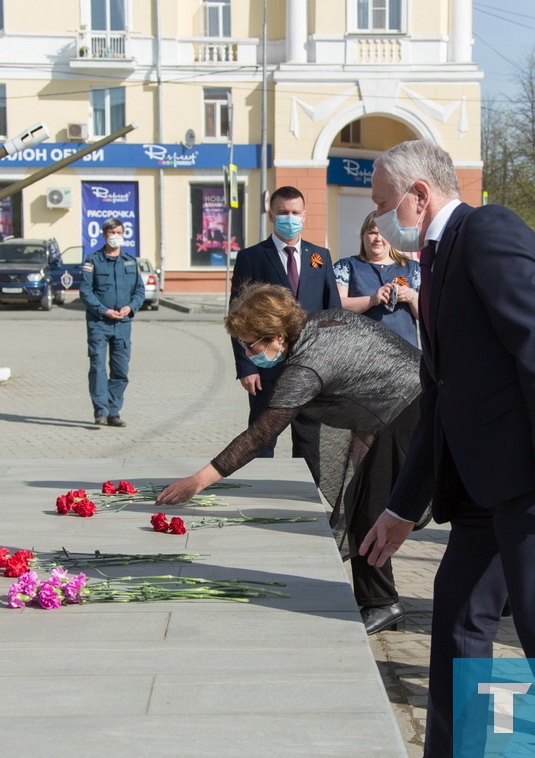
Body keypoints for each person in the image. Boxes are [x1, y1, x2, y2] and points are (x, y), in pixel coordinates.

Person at [359, 139, 535, 757]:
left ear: (419, 195)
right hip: (486, 482)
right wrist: (403, 508)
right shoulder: (434, 259)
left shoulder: (487, 230)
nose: (378, 219)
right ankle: (476, 750)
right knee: (459, 616)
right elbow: (441, 395)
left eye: (384, 204)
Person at [157, 282, 426, 635]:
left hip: (411, 413)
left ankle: (382, 603)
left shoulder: (306, 367)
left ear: (278, 336)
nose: (247, 350)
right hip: (420, 398)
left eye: (250, 343)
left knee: (367, 511)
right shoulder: (323, 322)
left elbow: (259, 436)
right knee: (449, 503)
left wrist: (198, 480)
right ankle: (502, 596)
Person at [229, 186, 340, 473]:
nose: (288, 218)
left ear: (304, 216)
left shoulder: (320, 257)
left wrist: (330, 366)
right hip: (266, 368)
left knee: (309, 441)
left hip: (310, 369)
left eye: (294, 213)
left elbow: (332, 314)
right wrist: (246, 367)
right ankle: (259, 489)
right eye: (282, 213)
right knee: (261, 438)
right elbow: (238, 317)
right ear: (271, 214)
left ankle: (306, 500)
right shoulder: (252, 257)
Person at [79, 217, 145, 427]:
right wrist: (104, 310)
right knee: (98, 366)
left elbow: (139, 290)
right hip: (99, 322)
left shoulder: (130, 261)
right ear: (104, 235)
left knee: (120, 370)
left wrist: (131, 307)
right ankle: (100, 410)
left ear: (123, 234)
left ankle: (113, 411)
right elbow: (85, 291)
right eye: (111, 233)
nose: (115, 236)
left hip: (123, 324)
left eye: (119, 232)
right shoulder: (93, 260)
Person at [334, 211, 420, 347]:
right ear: (363, 236)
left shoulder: (412, 268)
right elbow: (336, 306)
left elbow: (426, 315)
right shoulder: (347, 266)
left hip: (405, 354)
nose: (378, 238)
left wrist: (411, 296)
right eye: (372, 232)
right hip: (362, 350)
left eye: (384, 233)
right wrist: (371, 300)